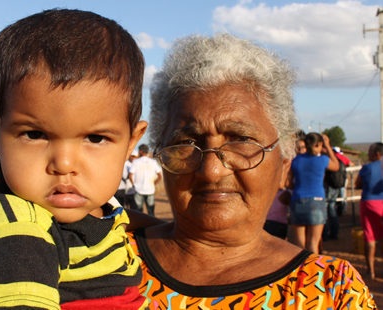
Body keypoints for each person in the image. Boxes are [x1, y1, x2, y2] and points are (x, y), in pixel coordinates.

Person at [129, 33, 376, 308]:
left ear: (284, 161)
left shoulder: (331, 290)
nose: (211, 172)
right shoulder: (104, 260)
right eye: (186, 143)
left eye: (241, 140)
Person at [0, 9, 149, 309]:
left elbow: (117, 218)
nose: (64, 164)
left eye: (96, 138)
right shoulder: (18, 240)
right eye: (35, 135)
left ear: (131, 141)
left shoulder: (92, 200)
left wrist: (163, 228)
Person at [356, 142, 383, 280]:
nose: (368, 153)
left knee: (370, 236)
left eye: (370, 151)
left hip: (368, 202)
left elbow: (357, 184)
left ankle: (370, 271)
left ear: (376, 154)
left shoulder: (366, 168)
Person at [129, 144, 162, 216]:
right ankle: (152, 226)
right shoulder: (153, 162)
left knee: (139, 213)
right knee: (151, 212)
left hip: (138, 190)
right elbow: (160, 176)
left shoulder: (136, 162)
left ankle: (140, 226)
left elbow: (130, 175)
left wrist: (134, 185)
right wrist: (154, 184)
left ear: (140, 151)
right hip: (150, 190)